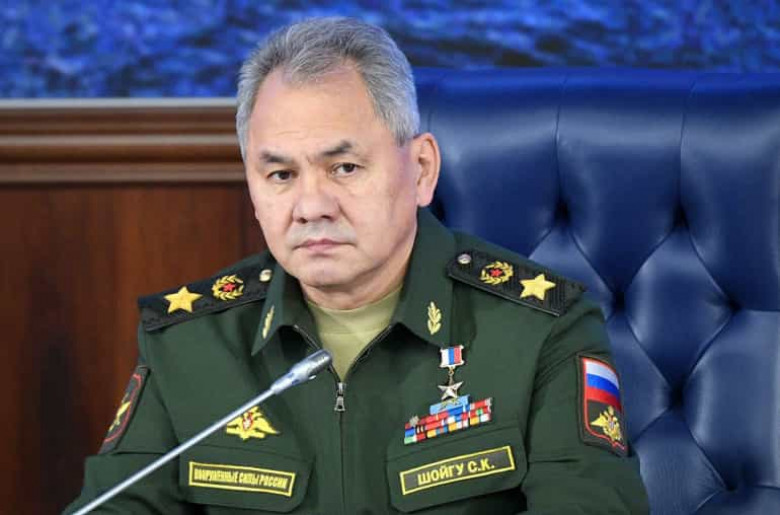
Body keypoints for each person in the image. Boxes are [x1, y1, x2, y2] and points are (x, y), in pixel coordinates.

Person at [66, 17, 649, 514]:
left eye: (344, 168)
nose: (311, 206)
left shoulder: (541, 329)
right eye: (280, 175)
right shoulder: (190, 342)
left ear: (420, 170)